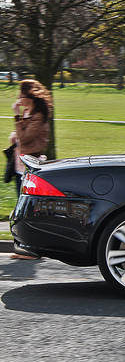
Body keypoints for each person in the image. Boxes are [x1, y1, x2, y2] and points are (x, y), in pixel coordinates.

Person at [8, 79, 52, 260]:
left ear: (30, 96)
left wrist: (16, 115)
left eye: (21, 95)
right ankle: (26, 248)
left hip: (30, 166)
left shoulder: (38, 115)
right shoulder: (30, 112)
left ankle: (34, 250)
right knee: (22, 208)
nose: (19, 98)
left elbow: (25, 138)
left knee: (27, 210)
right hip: (20, 166)